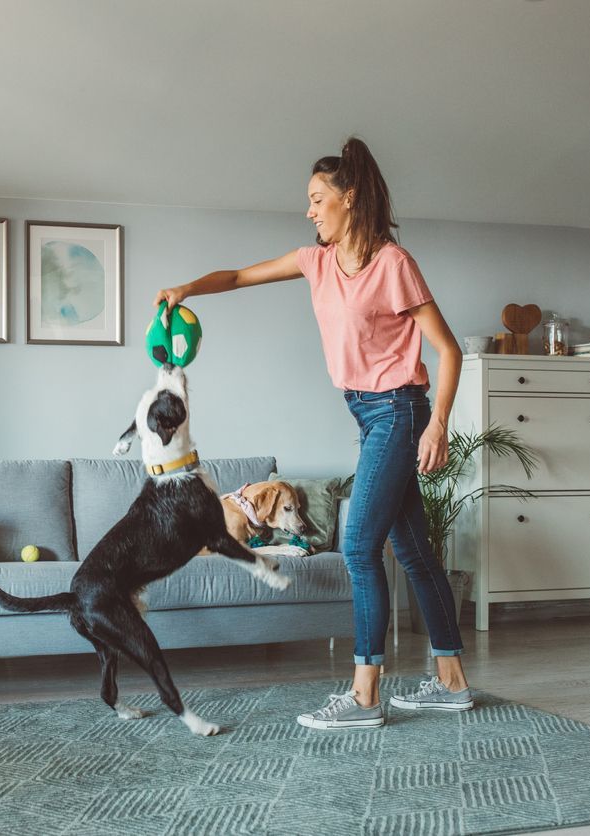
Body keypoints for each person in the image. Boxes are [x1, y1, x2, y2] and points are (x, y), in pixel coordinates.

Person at [153, 137, 471, 729]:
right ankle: (451, 681)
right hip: (368, 414)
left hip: (400, 410)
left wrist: (440, 425)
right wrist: (187, 289)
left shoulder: (392, 265)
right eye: (309, 200)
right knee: (413, 551)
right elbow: (241, 276)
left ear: (349, 199)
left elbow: (448, 351)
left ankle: (364, 697)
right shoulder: (316, 262)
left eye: (318, 198)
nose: (310, 209)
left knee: (357, 548)